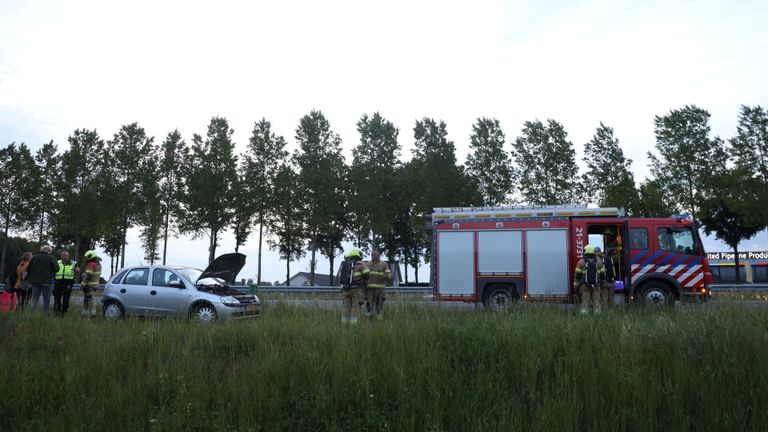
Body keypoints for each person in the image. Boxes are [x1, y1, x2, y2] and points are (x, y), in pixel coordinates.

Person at [337, 247, 370, 325]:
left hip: (346, 290)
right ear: (359, 255)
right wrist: (363, 281)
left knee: (346, 308)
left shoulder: (345, 264)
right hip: (356, 290)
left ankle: (344, 325)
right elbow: (367, 274)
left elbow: (340, 277)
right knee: (355, 308)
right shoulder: (361, 263)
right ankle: (353, 326)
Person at [573, 244, 605, 314]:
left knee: (584, 303)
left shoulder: (581, 262)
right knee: (596, 303)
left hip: (584, 286)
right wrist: (601, 285)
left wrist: (575, 286)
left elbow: (577, 276)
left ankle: (584, 318)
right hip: (596, 286)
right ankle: (598, 317)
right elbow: (603, 276)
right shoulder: (599, 262)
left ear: (585, 251)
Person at [26, 245, 59, 312]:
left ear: (42, 250)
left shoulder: (34, 257)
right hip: (47, 281)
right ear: (49, 251)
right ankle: (45, 314)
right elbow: (57, 269)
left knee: (35, 298)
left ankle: (32, 313)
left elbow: (28, 269)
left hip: (35, 282)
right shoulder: (51, 257)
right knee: (46, 299)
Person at [364, 249, 392, 320]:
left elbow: (389, 275)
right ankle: (368, 320)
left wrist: (384, 276)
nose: (373, 256)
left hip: (380, 289)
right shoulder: (367, 264)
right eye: (372, 255)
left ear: (379, 256)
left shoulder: (384, 264)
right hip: (369, 289)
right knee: (369, 305)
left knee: (379, 305)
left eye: (374, 255)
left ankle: (379, 320)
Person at [53, 250, 79, 315]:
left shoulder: (73, 263)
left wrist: (77, 270)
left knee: (66, 298)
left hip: (68, 283)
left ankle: (63, 311)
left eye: (67, 255)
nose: (66, 257)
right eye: (64, 256)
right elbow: (53, 271)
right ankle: (57, 310)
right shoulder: (57, 262)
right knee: (57, 297)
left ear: (68, 256)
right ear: (61, 256)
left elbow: (78, 270)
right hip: (58, 282)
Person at [80, 250, 102, 317]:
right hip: (95, 285)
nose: (86, 259)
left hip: (89, 285)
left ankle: (93, 313)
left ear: (90, 257)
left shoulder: (90, 265)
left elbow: (88, 275)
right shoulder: (98, 265)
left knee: (90, 298)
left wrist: (82, 284)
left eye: (87, 257)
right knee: (87, 298)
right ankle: (85, 313)